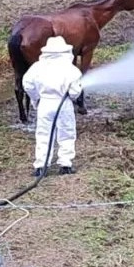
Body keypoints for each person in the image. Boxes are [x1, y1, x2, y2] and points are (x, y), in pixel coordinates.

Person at [22, 36, 84, 177]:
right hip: (63, 104)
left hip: (45, 103)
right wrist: (71, 95)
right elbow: (75, 92)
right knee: (67, 133)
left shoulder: (37, 67)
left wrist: (36, 98)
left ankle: (41, 167)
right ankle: (65, 164)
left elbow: (27, 85)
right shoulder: (71, 69)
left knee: (43, 134)